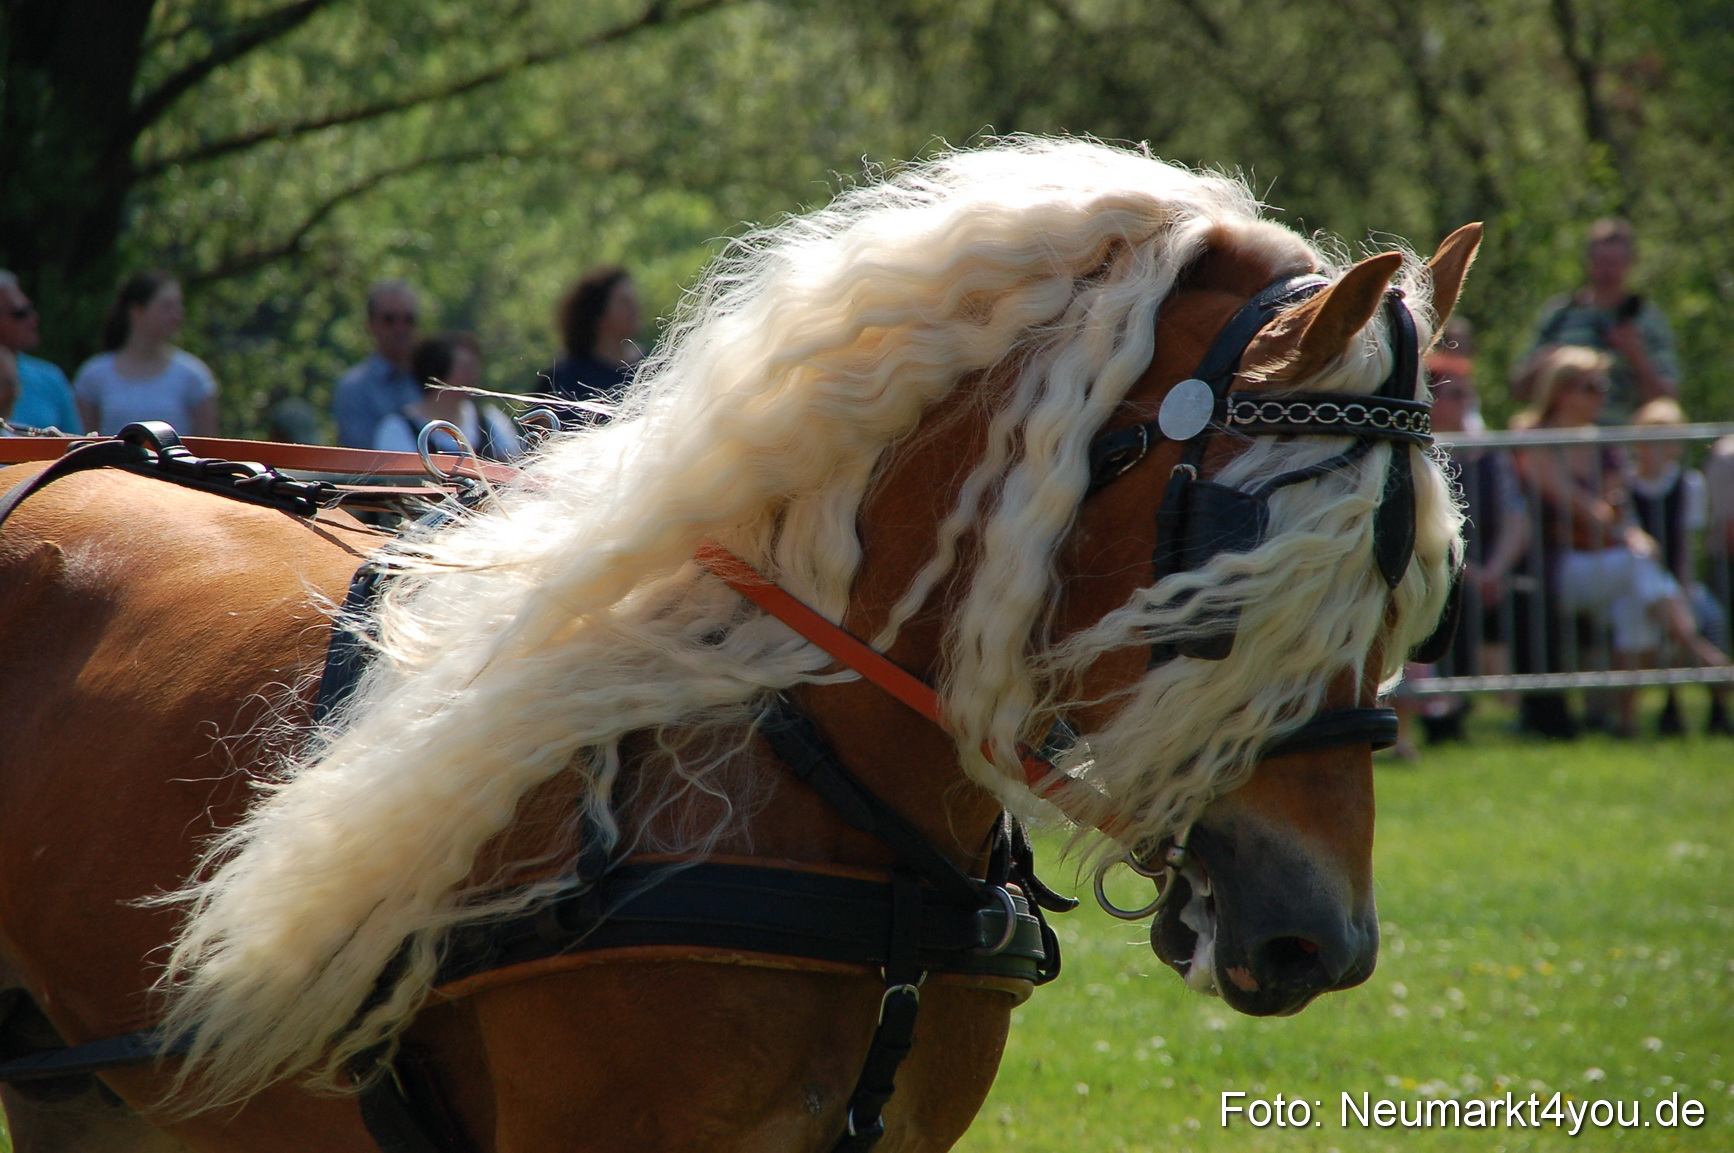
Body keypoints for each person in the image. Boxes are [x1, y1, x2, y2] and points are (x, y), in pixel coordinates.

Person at [1511, 345, 1728, 736]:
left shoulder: (1603, 443)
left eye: (1604, 385)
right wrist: (1621, 529)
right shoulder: (1532, 437)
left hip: (1607, 561)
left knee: (1636, 601)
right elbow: (1575, 504)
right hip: (1557, 568)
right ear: (1562, 390)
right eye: (1592, 386)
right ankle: (1701, 654)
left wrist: (1630, 534)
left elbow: (1618, 512)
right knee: (1637, 564)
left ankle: (1624, 722)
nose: (1603, 395)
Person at [1626, 398, 1731, 734]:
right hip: (1640, 583)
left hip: (1679, 580)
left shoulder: (1689, 485)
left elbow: (1686, 547)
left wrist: (1684, 591)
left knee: (1711, 617)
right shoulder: (1625, 485)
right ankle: (1672, 706)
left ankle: (1718, 709)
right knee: (1670, 629)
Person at [1524, 218, 1679, 424]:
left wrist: (1636, 355)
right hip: (1563, 443)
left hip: (1623, 442)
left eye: (1615, 263)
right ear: (1589, 261)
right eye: (1601, 261)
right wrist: (1548, 361)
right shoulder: (1560, 315)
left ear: (1631, 263)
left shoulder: (1647, 321)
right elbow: (1519, 388)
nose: (1608, 271)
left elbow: (1666, 400)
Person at [72, 272, 218, 436]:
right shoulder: (94, 375)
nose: (177, 316)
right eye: (167, 307)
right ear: (137, 311)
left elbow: (207, 445)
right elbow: (80, 440)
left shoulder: (193, 376)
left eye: (178, 306)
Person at [375, 333, 520, 461]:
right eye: (466, 369)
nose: (475, 376)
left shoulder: (491, 421)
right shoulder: (398, 428)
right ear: (438, 374)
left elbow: (514, 470)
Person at [333, 280, 423, 448]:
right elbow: (359, 455)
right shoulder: (353, 388)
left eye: (408, 319)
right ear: (371, 324)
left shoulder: (431, 381)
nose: (400, 328)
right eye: (389, 319)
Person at [546, 266, 640, 409]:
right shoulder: (565, 378)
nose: (634, 309)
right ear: (598, 313)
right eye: (623, 302)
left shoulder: (652, 367)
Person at [0, 270, 81, 433]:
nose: (33, 318)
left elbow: (77, 447)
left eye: (30, 309)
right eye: (19, 313)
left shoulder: (50, 379)